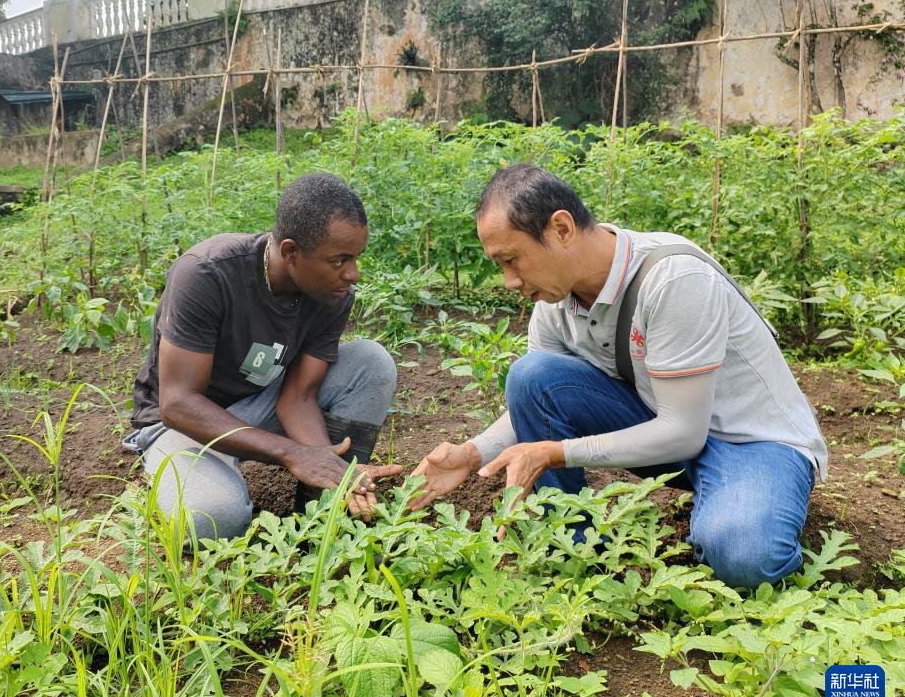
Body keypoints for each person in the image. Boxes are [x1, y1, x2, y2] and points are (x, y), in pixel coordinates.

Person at [410, 164, 827, 589]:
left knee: (742, 558)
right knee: (531, 374)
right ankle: (572, 547)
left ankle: (752, 499)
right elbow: (535, 399)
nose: (508, 281)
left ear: (561, 228)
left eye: (511, 260)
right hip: (664, 431)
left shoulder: (673, 280)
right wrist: (472, 453)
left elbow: (684, 432)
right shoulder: (554, 303)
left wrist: (558, 452)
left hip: (751, 443)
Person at [125, 172, 401, 544]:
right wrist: (292, 453)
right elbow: (178, 403)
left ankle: (323, 513)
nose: (353, 274)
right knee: (211, 520)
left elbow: (299, 396)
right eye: (339, 260)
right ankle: (190, 479)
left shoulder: (331, 295)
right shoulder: (208, 274)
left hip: (259, 404)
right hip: (183, 426)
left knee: (371, 362)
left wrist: (332, 467)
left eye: (356, 258)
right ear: (290, 252)